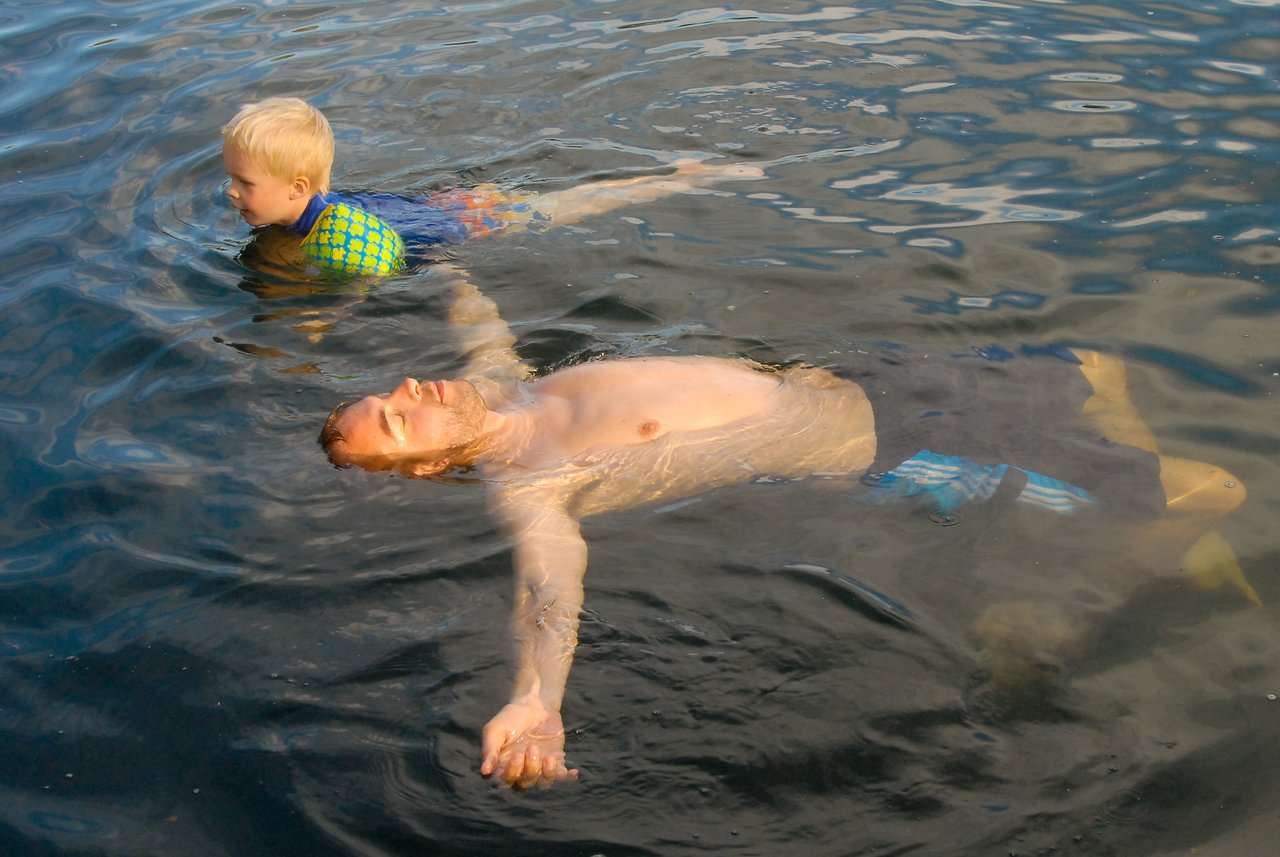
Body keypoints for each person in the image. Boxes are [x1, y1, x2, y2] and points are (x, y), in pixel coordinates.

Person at [317, 265, 1255, 790]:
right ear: (432, 467)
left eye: (393, 391)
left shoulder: (505, 387)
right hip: (897, 446)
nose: (409, 392)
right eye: (401, 420)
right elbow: (546, 588)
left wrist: (446, 265)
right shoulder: (531, 482)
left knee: (1093, 360)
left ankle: (1125, 492)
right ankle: (1102, 576)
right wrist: (538, 697)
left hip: (867, 381)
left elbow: (481, 327)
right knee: (1214, 489)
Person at [221, 97, 760, 277]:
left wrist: (316, 319)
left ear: (297, 187)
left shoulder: (337, 235)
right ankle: (679, 176)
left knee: (578, 205)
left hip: (461, 222)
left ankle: (686, 179)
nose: (231, 193)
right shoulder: (309, 214)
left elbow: (358, 283)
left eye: (243, 182)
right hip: (433, 207)